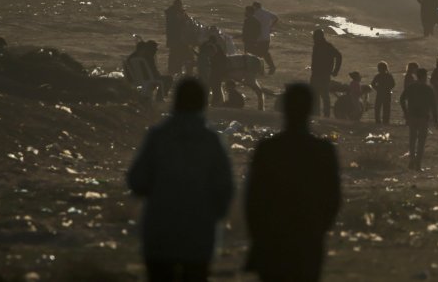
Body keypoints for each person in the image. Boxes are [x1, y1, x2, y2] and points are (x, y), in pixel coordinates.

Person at [128, 78, 234, 282]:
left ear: (175, 101)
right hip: (199, 236)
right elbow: (224, 187)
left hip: (160, 234)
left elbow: (137, 181)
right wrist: (213, 217)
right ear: (203, 103)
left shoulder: (158, 137)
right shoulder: (211, 140)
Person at [244, 83, 341, 282]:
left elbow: (253, 200)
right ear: (311, 110)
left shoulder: (268, 149)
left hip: (272, 240)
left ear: (284, 108)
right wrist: (318, 229)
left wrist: (259, 235)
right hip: (308, 239)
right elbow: (333, 198)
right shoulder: (323, 151)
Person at [399, 68, 438, 170]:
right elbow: (434, 105)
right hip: (423, 117)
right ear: (424, 76)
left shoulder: (411, 87)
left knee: (412, 139)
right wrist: (436, 119)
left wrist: (405, 112)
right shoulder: (428, 89)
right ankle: (418, 163)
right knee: (421, 141)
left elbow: (402, 99)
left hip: (412, 116)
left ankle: (412, 161)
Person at [309, 29, 343, 118]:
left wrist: (336, 70)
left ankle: (326, 116)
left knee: (324, 96)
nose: (313, 38)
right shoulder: (316, 45)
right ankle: (317, 115)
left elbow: (339, 56)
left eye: (315, 37)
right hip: (315, 74)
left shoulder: (328, 46)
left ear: (320, 37)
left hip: (324, 75)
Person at [197, 31, 230, 106]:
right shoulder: (215, 48)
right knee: (215, 88)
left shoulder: (204, 47)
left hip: (210, 72)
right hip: (214, 72)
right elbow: (222, 60)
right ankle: (214, 103)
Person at [164, 0, 196, 76]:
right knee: (183, 56)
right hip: (178, 40)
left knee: (176, 56)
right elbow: (179, 24)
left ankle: (175, 72)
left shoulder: (174, 13)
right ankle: (180, 73)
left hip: (177, 40)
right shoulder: (173, 15)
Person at [248, 1, 279, 74]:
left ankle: (263, 68)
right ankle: (270, 66)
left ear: (255, 7)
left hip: (258, 37)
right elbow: (276, 18)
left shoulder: (255, 14)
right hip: (266, 36)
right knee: (264, 52)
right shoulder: (267, 13)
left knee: (259, 52)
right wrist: (271, 26)